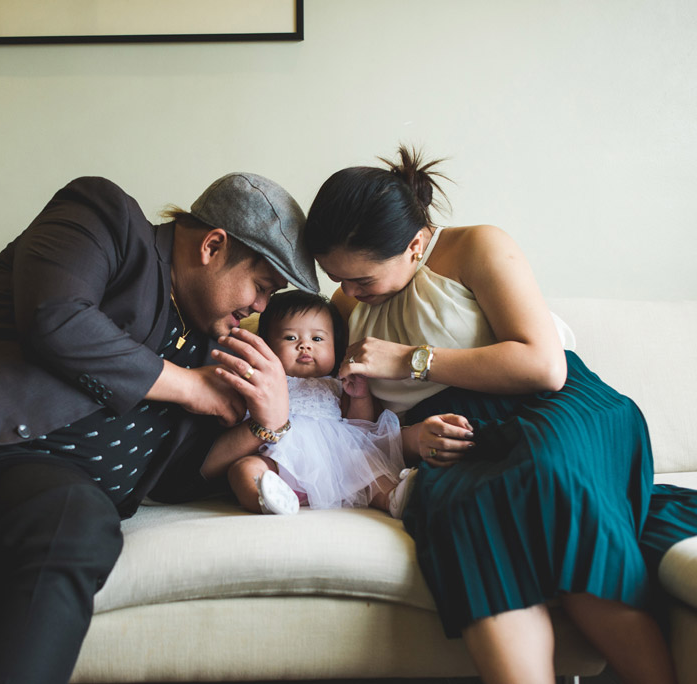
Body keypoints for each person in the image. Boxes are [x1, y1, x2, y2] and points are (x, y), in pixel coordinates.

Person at [0, 172, 319, 684]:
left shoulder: (217, 350)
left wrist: (269, 422)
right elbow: (56, 317)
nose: (259, 308)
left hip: (39, 484)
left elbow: (179, 475)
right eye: (261, 286)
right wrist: (189, 387)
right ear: (212, 246)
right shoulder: (105, 217)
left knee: (81, 526)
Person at [299, 146, 697, 684]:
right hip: (463, 441)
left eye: (361, 280)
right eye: (336, 278)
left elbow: (543, 366)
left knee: (549, 478)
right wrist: (410, 436)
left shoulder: (475, 246)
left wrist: (408, 360)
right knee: (459, 516)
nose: (347, 293)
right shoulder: (345, 309)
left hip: (554, 408)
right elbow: (350, 419)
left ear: (414, 244)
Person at [202, 290, 470, 518]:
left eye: (317, 339)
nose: (305, 346)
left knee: (367, 469)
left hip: (336, 460)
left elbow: (358, 425)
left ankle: (392, 497)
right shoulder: (266, 380)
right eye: (290, 338)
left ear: (336, 346)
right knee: (244, 469)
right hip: (277, 458)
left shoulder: (336, 383)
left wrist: (359, 397)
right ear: (266, 347)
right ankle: (267, 498)